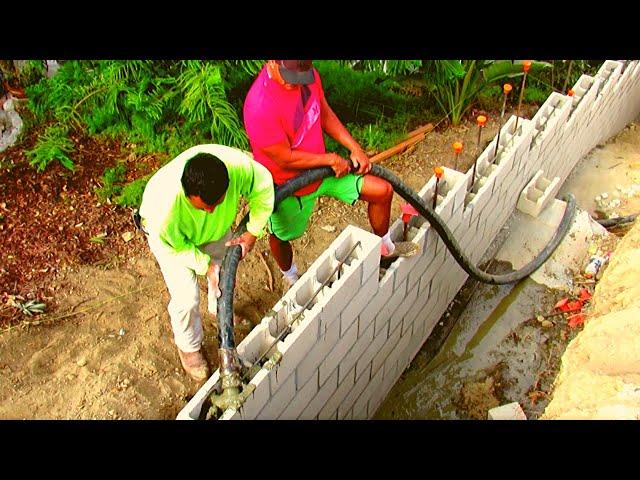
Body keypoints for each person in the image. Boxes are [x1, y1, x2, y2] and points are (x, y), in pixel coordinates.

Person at [243, 60, 417, 287]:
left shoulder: (308, 75)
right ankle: (290, 276)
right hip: (288, 186)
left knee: (382, 191)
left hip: (324, 172)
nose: (294, 83)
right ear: (272, 62)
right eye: (290, 76)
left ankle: (384, 248)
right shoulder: (259, 106)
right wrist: (330, 160)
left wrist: (354, 148)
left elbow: (323, 112)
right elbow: (283, 158)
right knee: (282, 236)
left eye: (300, 76)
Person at [138, 144, 274, 381]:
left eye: (217, 204)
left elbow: (264, 189)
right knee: (186, 298)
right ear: (187, 193)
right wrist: (205, 265)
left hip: (214, 231)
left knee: (223, 274)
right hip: (173, 243)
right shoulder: (162, 212)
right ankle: (189, 347)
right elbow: (177, 247)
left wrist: (252, 231)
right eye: (202, 207)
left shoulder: (237, 168)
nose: (210, 211)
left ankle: (219, 311)